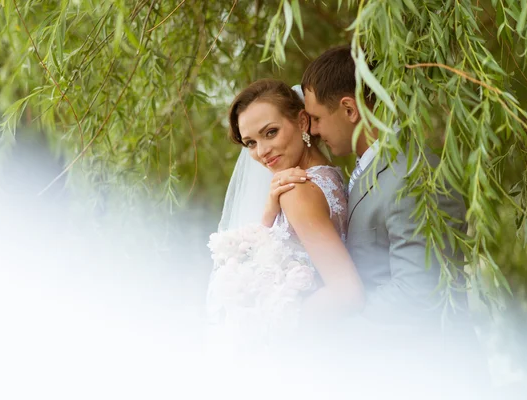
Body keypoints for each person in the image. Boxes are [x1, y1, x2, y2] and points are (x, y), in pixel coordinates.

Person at [273, 46, 488, 394]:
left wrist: (333, 340)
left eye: (315, 118)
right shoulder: (366, 172)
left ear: (349, 109)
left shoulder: (415, 175)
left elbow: (417, 293)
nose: (309, 129)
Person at [207, 79, 364, 343]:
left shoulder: (297, 191)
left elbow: (347, 293)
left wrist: (270, 326)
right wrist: (270, 213)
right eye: (250, 143)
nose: (262, 152)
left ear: (302, 122)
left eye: (270, 132)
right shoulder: (329, 176)